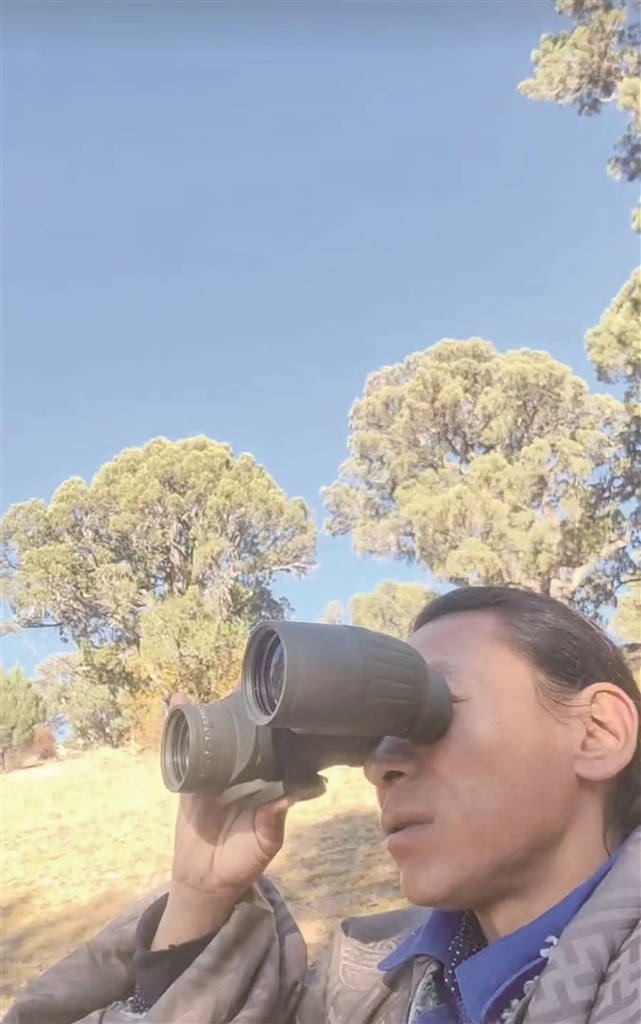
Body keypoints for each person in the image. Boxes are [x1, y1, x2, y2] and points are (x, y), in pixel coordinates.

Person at [4, 586, 640, 1024]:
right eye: (377, 731)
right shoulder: (365, 985)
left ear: (598, 733)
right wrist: (199, 897)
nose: (379, 765)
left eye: (432, 705)